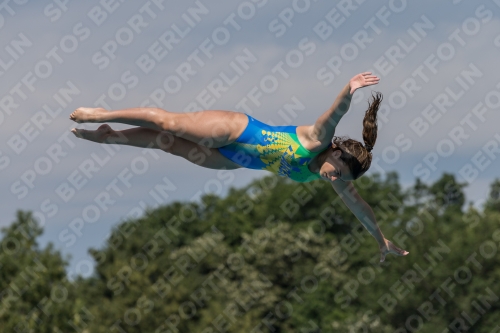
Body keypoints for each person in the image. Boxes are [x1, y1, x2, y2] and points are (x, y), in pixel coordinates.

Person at [70, 72, 408, 262]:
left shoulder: (331, 176)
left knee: (167, 144)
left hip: (234, 160)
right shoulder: (317, 139)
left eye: (340, 178)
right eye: (337, 170)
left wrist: (380, 239)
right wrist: (349, 88)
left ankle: (110, 136)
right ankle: (101, 114)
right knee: (169, 124)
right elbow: (336, 113)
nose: (333, 177)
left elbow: (359, 207)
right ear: (335, 151)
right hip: (236, 130)